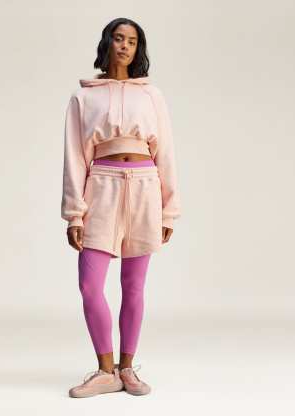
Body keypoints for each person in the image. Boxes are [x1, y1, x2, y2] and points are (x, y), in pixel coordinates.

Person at [61, 17, 181, 398]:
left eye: (132, 40)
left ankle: (127, 368)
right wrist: (74, 213)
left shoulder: (152, 96)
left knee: (134, 285)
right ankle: (105, 370)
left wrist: (169, 209)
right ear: (108, 43)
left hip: (145, 187)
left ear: (137, 48)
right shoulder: (84, 97)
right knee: (89, 285)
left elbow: (166, 152)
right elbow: (75, 157)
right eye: (118, 38)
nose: (125, 45)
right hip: (102, 188)